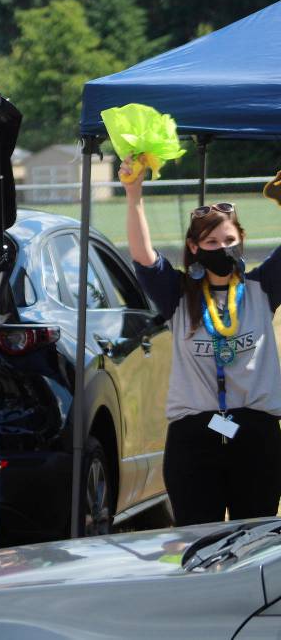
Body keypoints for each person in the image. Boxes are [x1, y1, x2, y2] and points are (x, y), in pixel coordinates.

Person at [123, 157, 281, 526]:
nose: (222, 247)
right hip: (195, 434)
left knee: (255, 536)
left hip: (255, 433)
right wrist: (133, 195)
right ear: (194, 248)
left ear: (241, 241)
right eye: (211, 241)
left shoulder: (261, 289)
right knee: (198, 539)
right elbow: (144, 257)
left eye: (229, 240)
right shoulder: (178, 293)